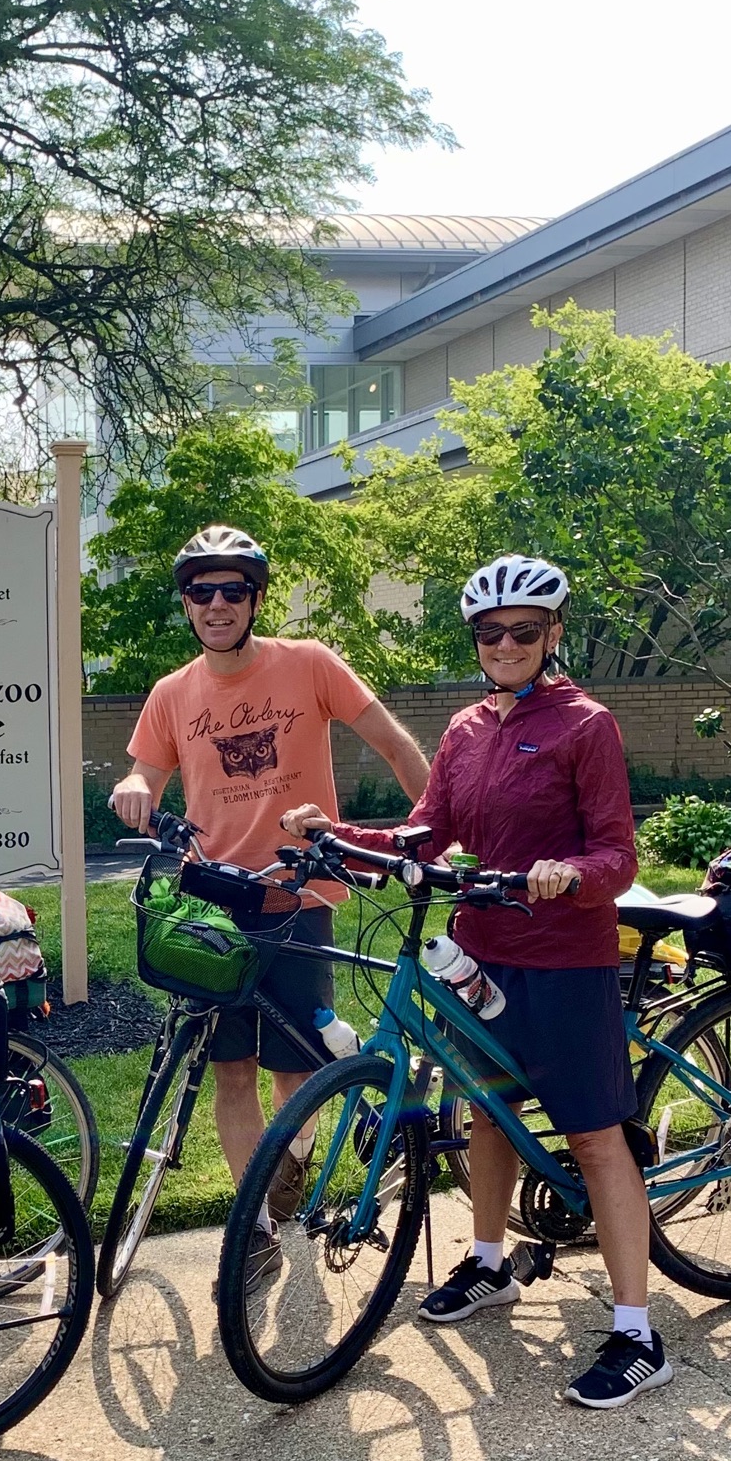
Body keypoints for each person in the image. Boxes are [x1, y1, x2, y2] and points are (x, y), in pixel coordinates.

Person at [284, 553, 663, 1410]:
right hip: (480, 953)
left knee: (598, 1138)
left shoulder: (585, 724)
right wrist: (332, 832)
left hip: (564, 961)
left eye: (523, 631)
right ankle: (491, 1261)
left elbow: (618, 853)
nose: (505, 645)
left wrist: (569, 871)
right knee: (487, 1111)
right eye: (490, 633)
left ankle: (639, 1332)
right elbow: (426, 834)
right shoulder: (463, 731)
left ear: (552, 634)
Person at [109, 525, 435, 1287]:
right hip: (212, 906)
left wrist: (434, 828)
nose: (216, 605)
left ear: (255, 598)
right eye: (201, 592)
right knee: (230, 1069)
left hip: (297, 893)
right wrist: (132, 788)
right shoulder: (172, 693)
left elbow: (391, 742)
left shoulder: (309, 664)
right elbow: (142, 780)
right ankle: (255, 1223)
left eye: (232, 590)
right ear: (188, 604)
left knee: (295, 1074)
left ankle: (290, 1159)